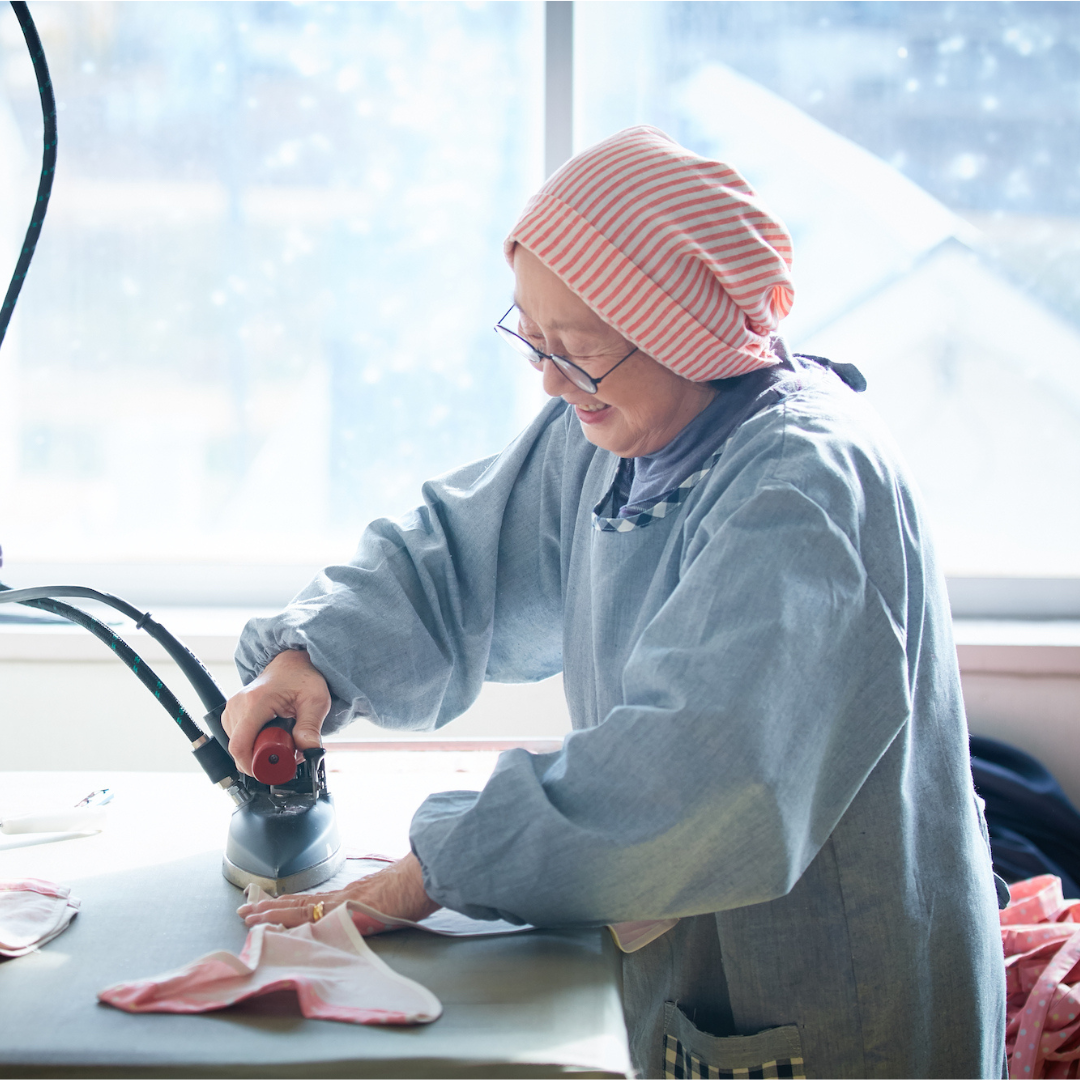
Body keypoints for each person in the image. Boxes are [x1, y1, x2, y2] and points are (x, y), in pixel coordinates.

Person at [223, 126, 1006, 1079]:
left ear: (687, 336)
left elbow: (696, 776)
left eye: (580, 354)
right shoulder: (614, 432)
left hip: (837, 995)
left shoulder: (800, 492)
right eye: (533, 340)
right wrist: (317, 654)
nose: (552, 382)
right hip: (697, 967)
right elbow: (463, 558)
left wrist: (438, 870)